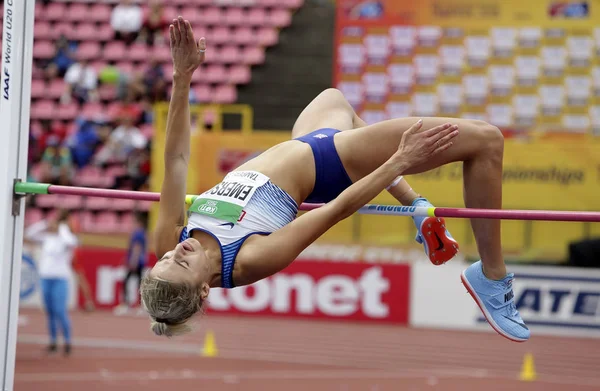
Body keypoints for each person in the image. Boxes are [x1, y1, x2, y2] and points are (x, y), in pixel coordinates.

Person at [140, 17, 529, 343]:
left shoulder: (168, 241)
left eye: (168, 259)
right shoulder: (248, 260)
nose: (177, 252)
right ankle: (491, 276)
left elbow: (175, 160)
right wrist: (400, 160)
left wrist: (182, 77)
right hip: (332, 163)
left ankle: (415, 206)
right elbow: (336, 209)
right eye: (181, 263)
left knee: (334, 98)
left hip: (305, 143)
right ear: (205, 288)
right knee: (487, 140)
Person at [24, 209, 78, 356]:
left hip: (60, 278)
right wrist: (45, 223)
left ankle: (67, 342)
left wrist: (62, 227)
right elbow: (29, 233)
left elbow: (71, 241)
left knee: (60, 311)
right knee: (50, 312)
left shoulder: (66, 238)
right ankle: (53, 341)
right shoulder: (47, 238)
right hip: (45, 278)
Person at [115, 212, 148, 315]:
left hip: (136, 262)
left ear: (138, 223)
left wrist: (133, 261)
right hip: (140, 262)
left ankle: (127, 304)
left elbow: (137, 248)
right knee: (139, 283)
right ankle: (139, 306)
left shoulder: (137, 233)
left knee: (127, 282)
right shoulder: (142, 233)